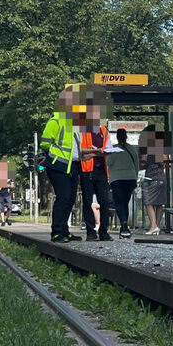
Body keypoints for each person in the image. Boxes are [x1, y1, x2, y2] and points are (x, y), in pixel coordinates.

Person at [39, 87, 83, 242]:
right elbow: (45, 142)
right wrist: (54, 155)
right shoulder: (56, 120)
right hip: (59, 166)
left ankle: (64, 231)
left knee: (70, 200)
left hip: (73, 166)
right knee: (63, 198)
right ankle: (57, 232)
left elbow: (75, 146)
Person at [77, 89, 114, 241]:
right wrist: (97, 152)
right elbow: (78, 151)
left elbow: (108, 148)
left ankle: (104, 232)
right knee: (87, 201)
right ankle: (91, 232)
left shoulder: (104, 131)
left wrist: (102, 152)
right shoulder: (82, 130)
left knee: (104, 201)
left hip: (101, 171)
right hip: (86, 170)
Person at [107, 128, 139, 238]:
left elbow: (109, 163)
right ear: (126, 136)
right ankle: (124, 225)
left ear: (117, 137)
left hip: (116, 179)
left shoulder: (113, 149)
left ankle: (124, 225)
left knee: (119, 202)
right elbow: (136, 164)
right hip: (130, 178)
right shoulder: (132, 148)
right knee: (125, 201)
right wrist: (135, 176)